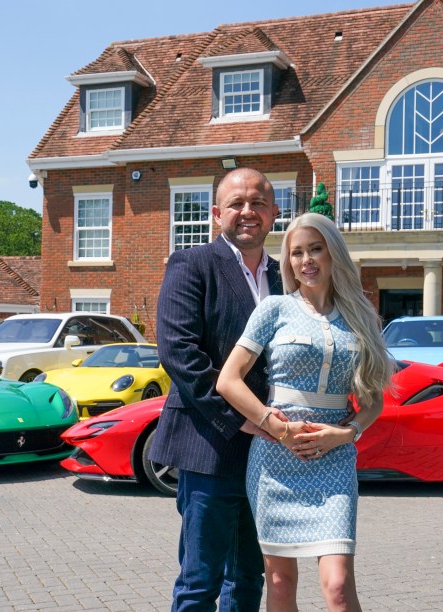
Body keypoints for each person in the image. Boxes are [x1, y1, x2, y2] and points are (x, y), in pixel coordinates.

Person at [216, 212, 392, 611]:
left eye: (316, 249)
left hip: (334, 462)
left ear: (333, 254)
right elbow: (228, 380)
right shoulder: (274, 309)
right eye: (296, 252)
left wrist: (347, 434)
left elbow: (375, 399)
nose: (306, 260)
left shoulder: (360, 316)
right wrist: (274, 427)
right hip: (275, 461)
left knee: (338, 585)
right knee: (279, 581)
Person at [149, 167, 285, 611]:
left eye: (258, 203)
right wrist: (242, 419)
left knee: (249, 576)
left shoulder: (286, 277)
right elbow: (180, 355)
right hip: (210, 447)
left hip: (268, 455)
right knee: (200, 581)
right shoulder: (192, 265)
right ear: (216, 214)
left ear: (274, 212)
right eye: (237, 204)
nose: (248, 212)